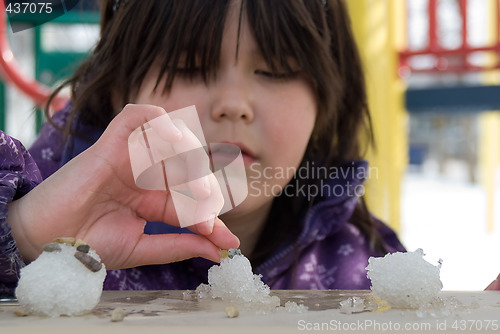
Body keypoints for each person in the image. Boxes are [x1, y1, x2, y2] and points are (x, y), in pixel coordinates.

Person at [1, 0, 408, 295]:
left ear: (326, 100)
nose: (233, 104)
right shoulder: (40, 207)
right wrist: (23, 238)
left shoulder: (368, 272)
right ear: (120, 90)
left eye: (275, 71)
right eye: (189, 67)